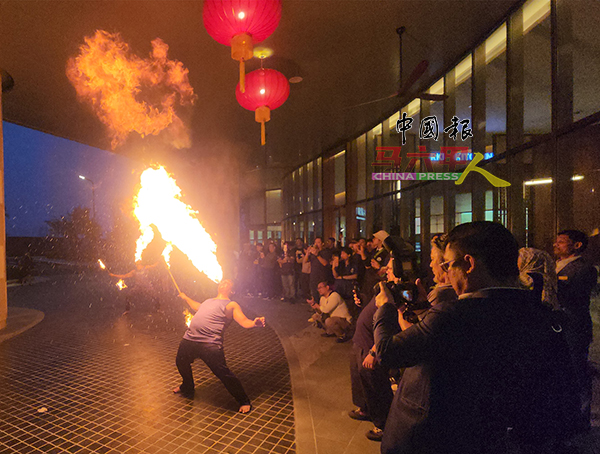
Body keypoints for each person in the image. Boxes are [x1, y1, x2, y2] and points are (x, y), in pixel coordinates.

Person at [374, 221, 580, 454]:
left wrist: (384, 308)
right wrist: (423, 307)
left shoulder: (453, 315)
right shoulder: (540, 315)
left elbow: (387, 351)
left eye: (448, 264)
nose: (447, 272)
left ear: (469, 264)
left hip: (431, 439)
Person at [173, 279, 265, 414]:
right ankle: (188, 386)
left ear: (232, 291)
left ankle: (244, 401)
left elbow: (244, 321)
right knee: (181, 362)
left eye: (228, 283)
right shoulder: (208, 301)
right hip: (190, 339)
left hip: (210, 344)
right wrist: (186, 297)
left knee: (223, 373)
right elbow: (197, 306)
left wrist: (254, 322)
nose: (223, 283)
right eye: (223, 281)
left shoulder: (231, 304)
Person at [554, 229, 598, 432]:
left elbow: (573, 298)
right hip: (559, 326)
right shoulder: (555, 266)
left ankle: (582, 417)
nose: (556, 245)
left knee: (577, 369)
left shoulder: (583, 269)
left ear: (577, 245)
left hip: (574, 326)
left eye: (562, 242)